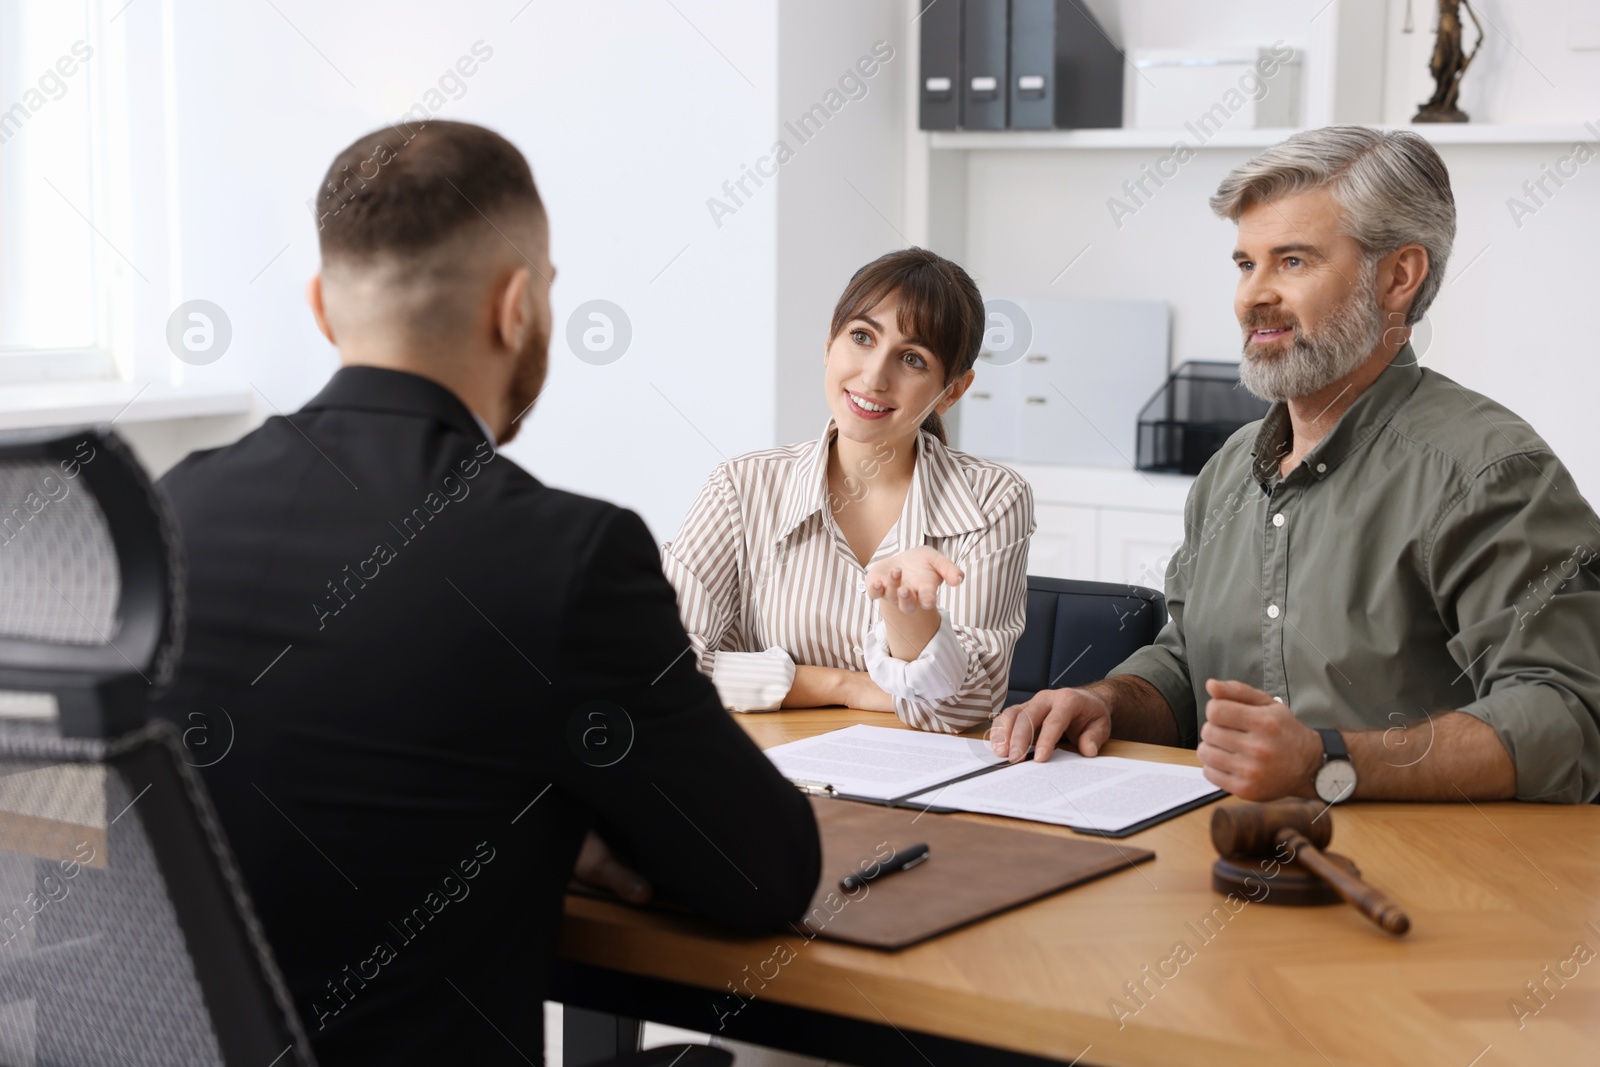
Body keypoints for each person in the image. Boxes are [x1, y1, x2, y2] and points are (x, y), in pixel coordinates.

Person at [152, 120, 819, 1065]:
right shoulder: (571, 553)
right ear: (515, 307)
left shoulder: (172, 509)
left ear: (322, 308)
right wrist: (576, 807)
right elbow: (766, 874)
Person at [991, 125, 1600, 804]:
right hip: (1223, 861)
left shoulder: (1489, 473)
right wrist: (1105, 700)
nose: (1252, 297)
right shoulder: (1228, 471)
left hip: (1422, 883)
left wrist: (1327, 762)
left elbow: (1567, 717)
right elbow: (1187, 661)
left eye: (1293, 261)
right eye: (1246, 264)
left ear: (1398, 276)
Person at [662, 248, 1035, 734]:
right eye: (861, 337)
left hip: (914, 785)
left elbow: (965, 708)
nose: (874, 377)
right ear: (828, 345)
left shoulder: (992, 499)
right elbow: (652, 663)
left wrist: (911, 619)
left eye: (912, 359)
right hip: (761, 773)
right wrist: (845, 686)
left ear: (952, 391)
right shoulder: (741, 487)